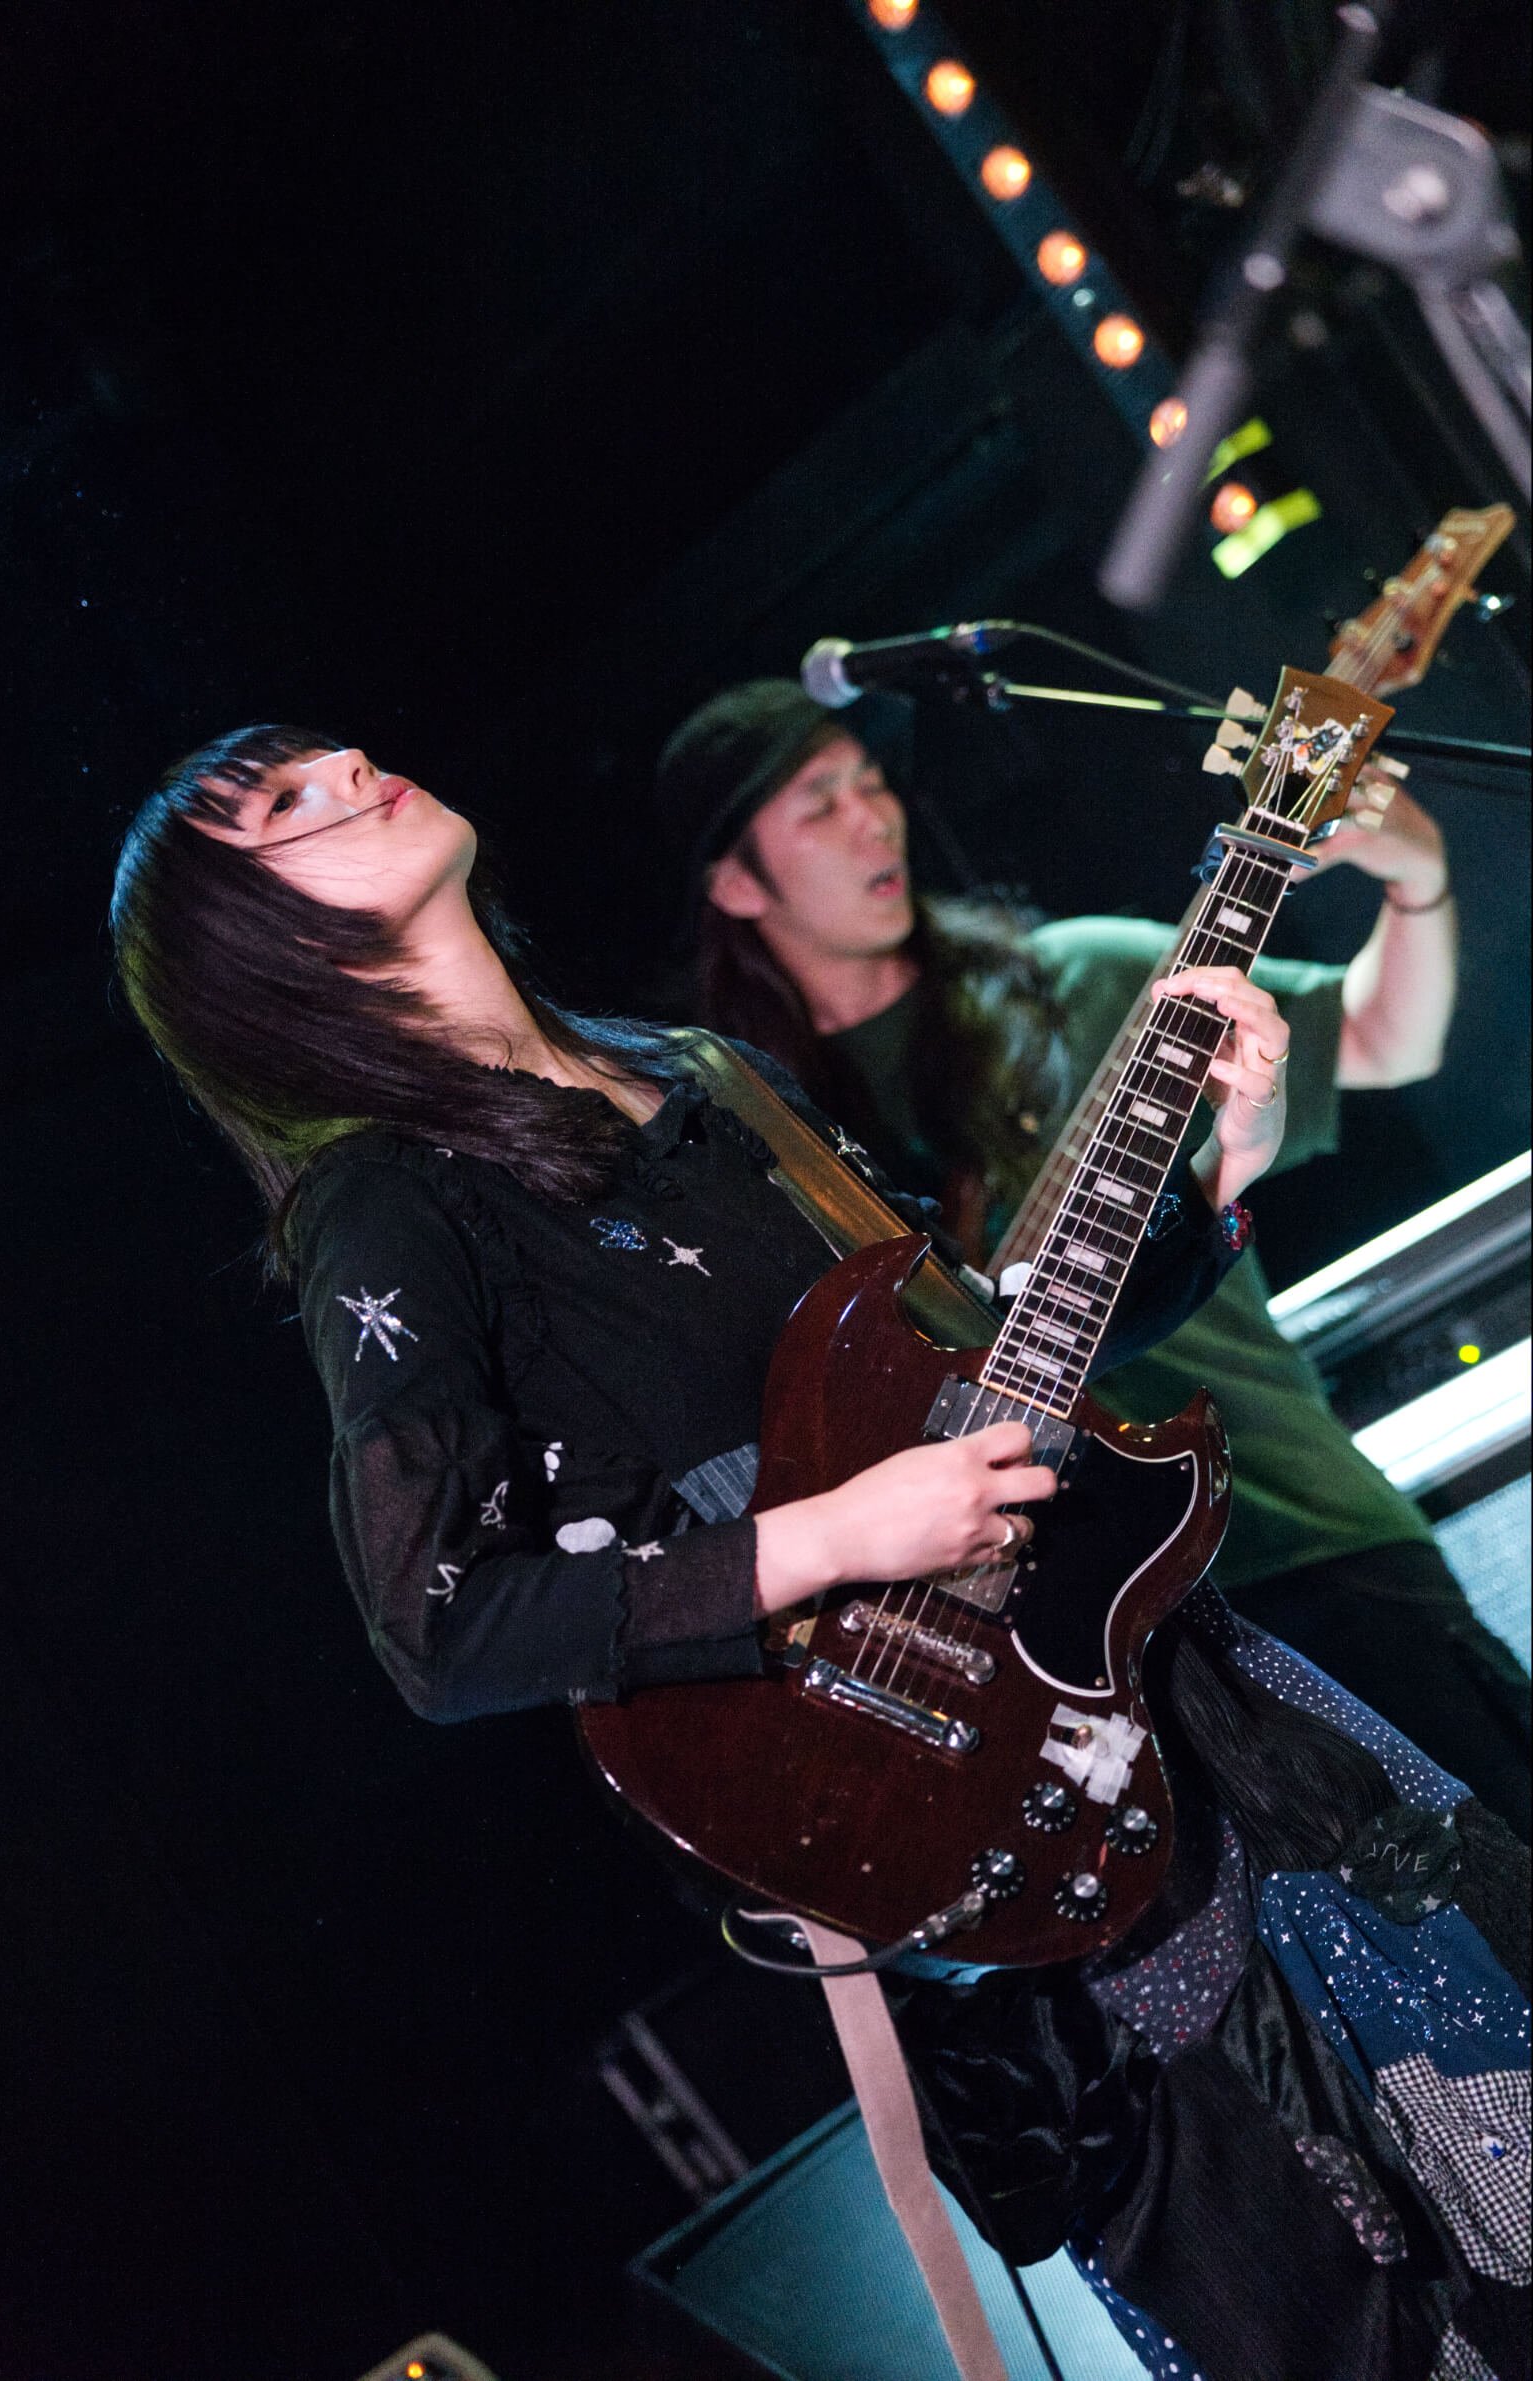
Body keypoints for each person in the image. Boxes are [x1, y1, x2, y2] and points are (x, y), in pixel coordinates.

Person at [112, 724, 1528, 2381]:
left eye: (322, 754)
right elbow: (442, 1625)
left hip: (1195, 1704)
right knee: (1330, 2305)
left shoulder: (705, 1074)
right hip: (964, 1812)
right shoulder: (391, 1206)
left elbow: (993, 1366)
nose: (353, 762)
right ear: (260, 946)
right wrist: (838, 1533)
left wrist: (1225, 1160)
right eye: (285, 804)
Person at [660, 677, 1530, 1842]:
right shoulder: (761, 1136)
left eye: (871, 782)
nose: (874, 817)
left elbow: (1385, 1036)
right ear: (735, 883)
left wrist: (1416, 879)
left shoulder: (1085, 977)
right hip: (1047, 1645)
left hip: (1302, 1535)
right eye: (819, 804)